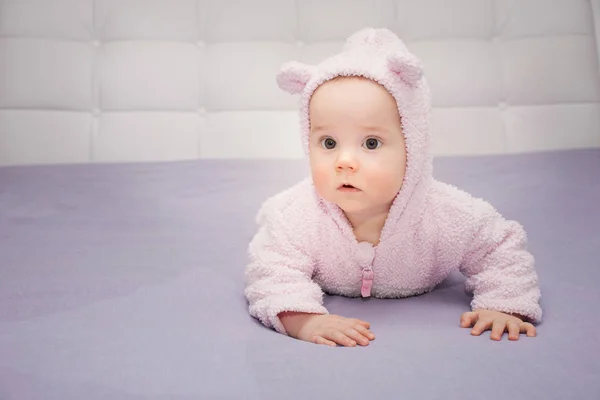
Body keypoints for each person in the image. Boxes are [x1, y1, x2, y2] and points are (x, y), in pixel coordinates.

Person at [244, 27, 542, 347]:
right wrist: (302, 320)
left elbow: (500, 249)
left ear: (413, 147)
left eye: (371, 143)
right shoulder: (297, 216)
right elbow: (271, 271)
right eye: (328, 142)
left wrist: (502, 304)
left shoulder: (446, 214)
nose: (344, 161)